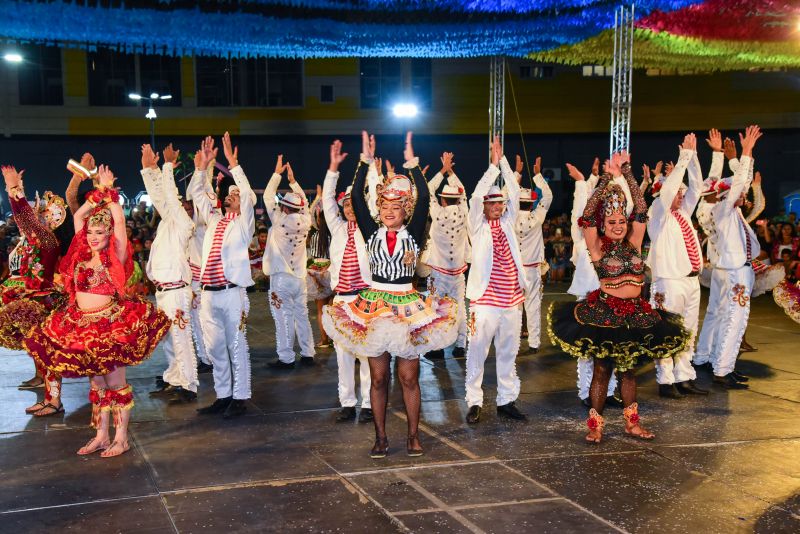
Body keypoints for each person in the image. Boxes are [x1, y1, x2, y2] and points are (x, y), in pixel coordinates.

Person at [323, 131, 458, 459]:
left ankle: (413, 436)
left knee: (409, 377)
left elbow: (424, 196)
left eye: (395, 206)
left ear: (404, 209)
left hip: (407, 306)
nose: (388, 210)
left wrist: (411, 162)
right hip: (374, 305)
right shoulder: (371, 232)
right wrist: (364, 161)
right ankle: (381, 437)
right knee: (379, 377)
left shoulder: (413, 232)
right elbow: (356, 197)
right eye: (384, 205)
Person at [24, 165, 170, 457]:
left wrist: (110, 194)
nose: (92, 236)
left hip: (109, 325)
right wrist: (95, 196)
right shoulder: (81, 251)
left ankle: (122, 439)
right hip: (81, 324)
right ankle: (102, 435)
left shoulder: (114, 252)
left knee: (116, 385)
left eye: (99, 232)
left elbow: (117, 221)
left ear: (108, 235)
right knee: (98, 384)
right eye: (90, 232)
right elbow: (78, 216)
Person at [548, 151, 688, 443]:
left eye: (620, 221)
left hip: (636, 313)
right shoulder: (596, 246)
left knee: (629, 373)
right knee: (601, 371)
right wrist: (604, 182)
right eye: (611, 222)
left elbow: (640, 207)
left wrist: (627, 174)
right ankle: (595, 425)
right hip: (605, 314)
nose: (617, 225)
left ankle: (631, 424)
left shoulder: (634, 241)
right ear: (603, 225)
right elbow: (586, 216)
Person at [463, 136, 529, 425]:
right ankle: (474, 401)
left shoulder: (508, 222)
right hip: (484, 301)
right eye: (493, 203)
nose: (498, 207)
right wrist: (492, 167)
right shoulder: (477, 226)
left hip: (511, 301)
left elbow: (514, 194)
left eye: (500, 203)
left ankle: (506, 400)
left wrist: (503, 162)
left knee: (508, 352)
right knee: (477, 352)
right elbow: (476, 196)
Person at [189, 133, 256, 418]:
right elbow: (196, 195)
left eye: (236, 194)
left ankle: (240, 396)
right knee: (215, 348)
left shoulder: (244, 224)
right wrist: (201, 168)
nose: (232, 196)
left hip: (232, 293)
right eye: (230, 193)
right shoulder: (215, 220)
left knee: (236, 344)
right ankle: (223, 394)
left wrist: (233, 164)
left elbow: (249, 196)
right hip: (208, 293)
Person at [694, 125, 763, 389]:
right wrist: (745, 153)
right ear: (722, 194)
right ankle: (723, 368)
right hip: (734, 270)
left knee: (718, 314)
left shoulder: (708, 206)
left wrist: (721, 156)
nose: (740, 195)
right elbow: (738, 184)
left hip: (726, 269)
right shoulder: (722, 209)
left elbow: (723, 183)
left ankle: (706, 357)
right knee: (736, 318)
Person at [645, 134, 709, 399]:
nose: (681, 196)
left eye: (681, 194)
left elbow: (697, 187)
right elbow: (669, 191)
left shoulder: (682, 214)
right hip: (669, 281)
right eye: (676, 193)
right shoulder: (657, 215)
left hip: (691, 280)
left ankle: (684, 376)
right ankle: (665, 380)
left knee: (689, 330)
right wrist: (682, 159)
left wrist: (692, 157)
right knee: (666, 330)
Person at [0, 166, 68, 416]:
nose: (35, 220)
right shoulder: (36, 241)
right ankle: (50, 399)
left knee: (48, 353)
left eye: (40, 216)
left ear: (49, 220)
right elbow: (24, 221)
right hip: (32, 301)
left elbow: (24, 220)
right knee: (39, 351)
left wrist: (14, 190)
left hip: (43, 303)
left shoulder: (49, 241)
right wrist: (14, 191)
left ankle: (54, 401)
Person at [141, 143, 199, 403]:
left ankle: (189, 384)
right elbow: (160, 197)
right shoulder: (168, 223)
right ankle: (174, 378)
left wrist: (165, 167)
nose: (181, 208)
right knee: (168, 339)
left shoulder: (184, 224)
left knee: (181, 337)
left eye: (187, 208)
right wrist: (149, 170)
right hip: (164, 291)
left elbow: (171, 198)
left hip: (176, 291)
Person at [322, 139, 374, 424]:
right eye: (346, 205)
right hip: (342, 299)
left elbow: (374, 203)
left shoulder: (369, 230)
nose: (349, 208)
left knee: (366, 354)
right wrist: (333, 168)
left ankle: (368, 404)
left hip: (365, 298)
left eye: (353, 204)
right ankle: (347, 402)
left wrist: (369, 163)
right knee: (343, 354)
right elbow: (327, 199)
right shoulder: (337, 228)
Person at [564, 159, 621, 409]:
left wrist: (616, 177)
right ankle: (586, 391)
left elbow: (623, 207)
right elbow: (580, 212)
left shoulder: (614, 235)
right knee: (587, 350)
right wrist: (581, 183)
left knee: (612, 346)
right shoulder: (582, 238)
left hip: (613, 297)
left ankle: (608, 391)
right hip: (588, 298)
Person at [262, 155, 316, 368]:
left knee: (282, 318)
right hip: (300, 278)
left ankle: (286, 358)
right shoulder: (306, 221)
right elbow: (304, 204)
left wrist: (277, 174)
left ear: (283, 207)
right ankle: (308, 353)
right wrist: (293, 182)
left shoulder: (279, 220)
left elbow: (267, 196)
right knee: (301, 315)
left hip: (281, 279)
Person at [420, 151, 471, 359]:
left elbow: (427, 190)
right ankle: (460, 345)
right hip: (457, 271)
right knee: (460, 308)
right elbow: (464, 192)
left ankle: (438, 347)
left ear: (442, 200)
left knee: (436, 308)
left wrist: (442, 170)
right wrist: (451, 172)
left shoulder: (438, 213)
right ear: (458, 199)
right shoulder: (464, 212)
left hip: (439, 272)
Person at [514, 155, 552, 353]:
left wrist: (516, 175)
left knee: (514, 308)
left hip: (513, 271)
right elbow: (548, 196)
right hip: (532, 270)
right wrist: (537, 175)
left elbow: (504, 196)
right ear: (531, 203)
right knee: (533, 306)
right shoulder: (538, 216)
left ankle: (512, 342)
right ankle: (534, 343)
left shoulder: (508, 217)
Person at [307, 187, 335, 348]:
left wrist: (318, 197)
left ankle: (324, 340)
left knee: (321, 310)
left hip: (317, 272)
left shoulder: (315, 234)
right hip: (332, 271)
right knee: (334, 309)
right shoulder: (335, 234)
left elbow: (310, 214)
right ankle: (336, 338)